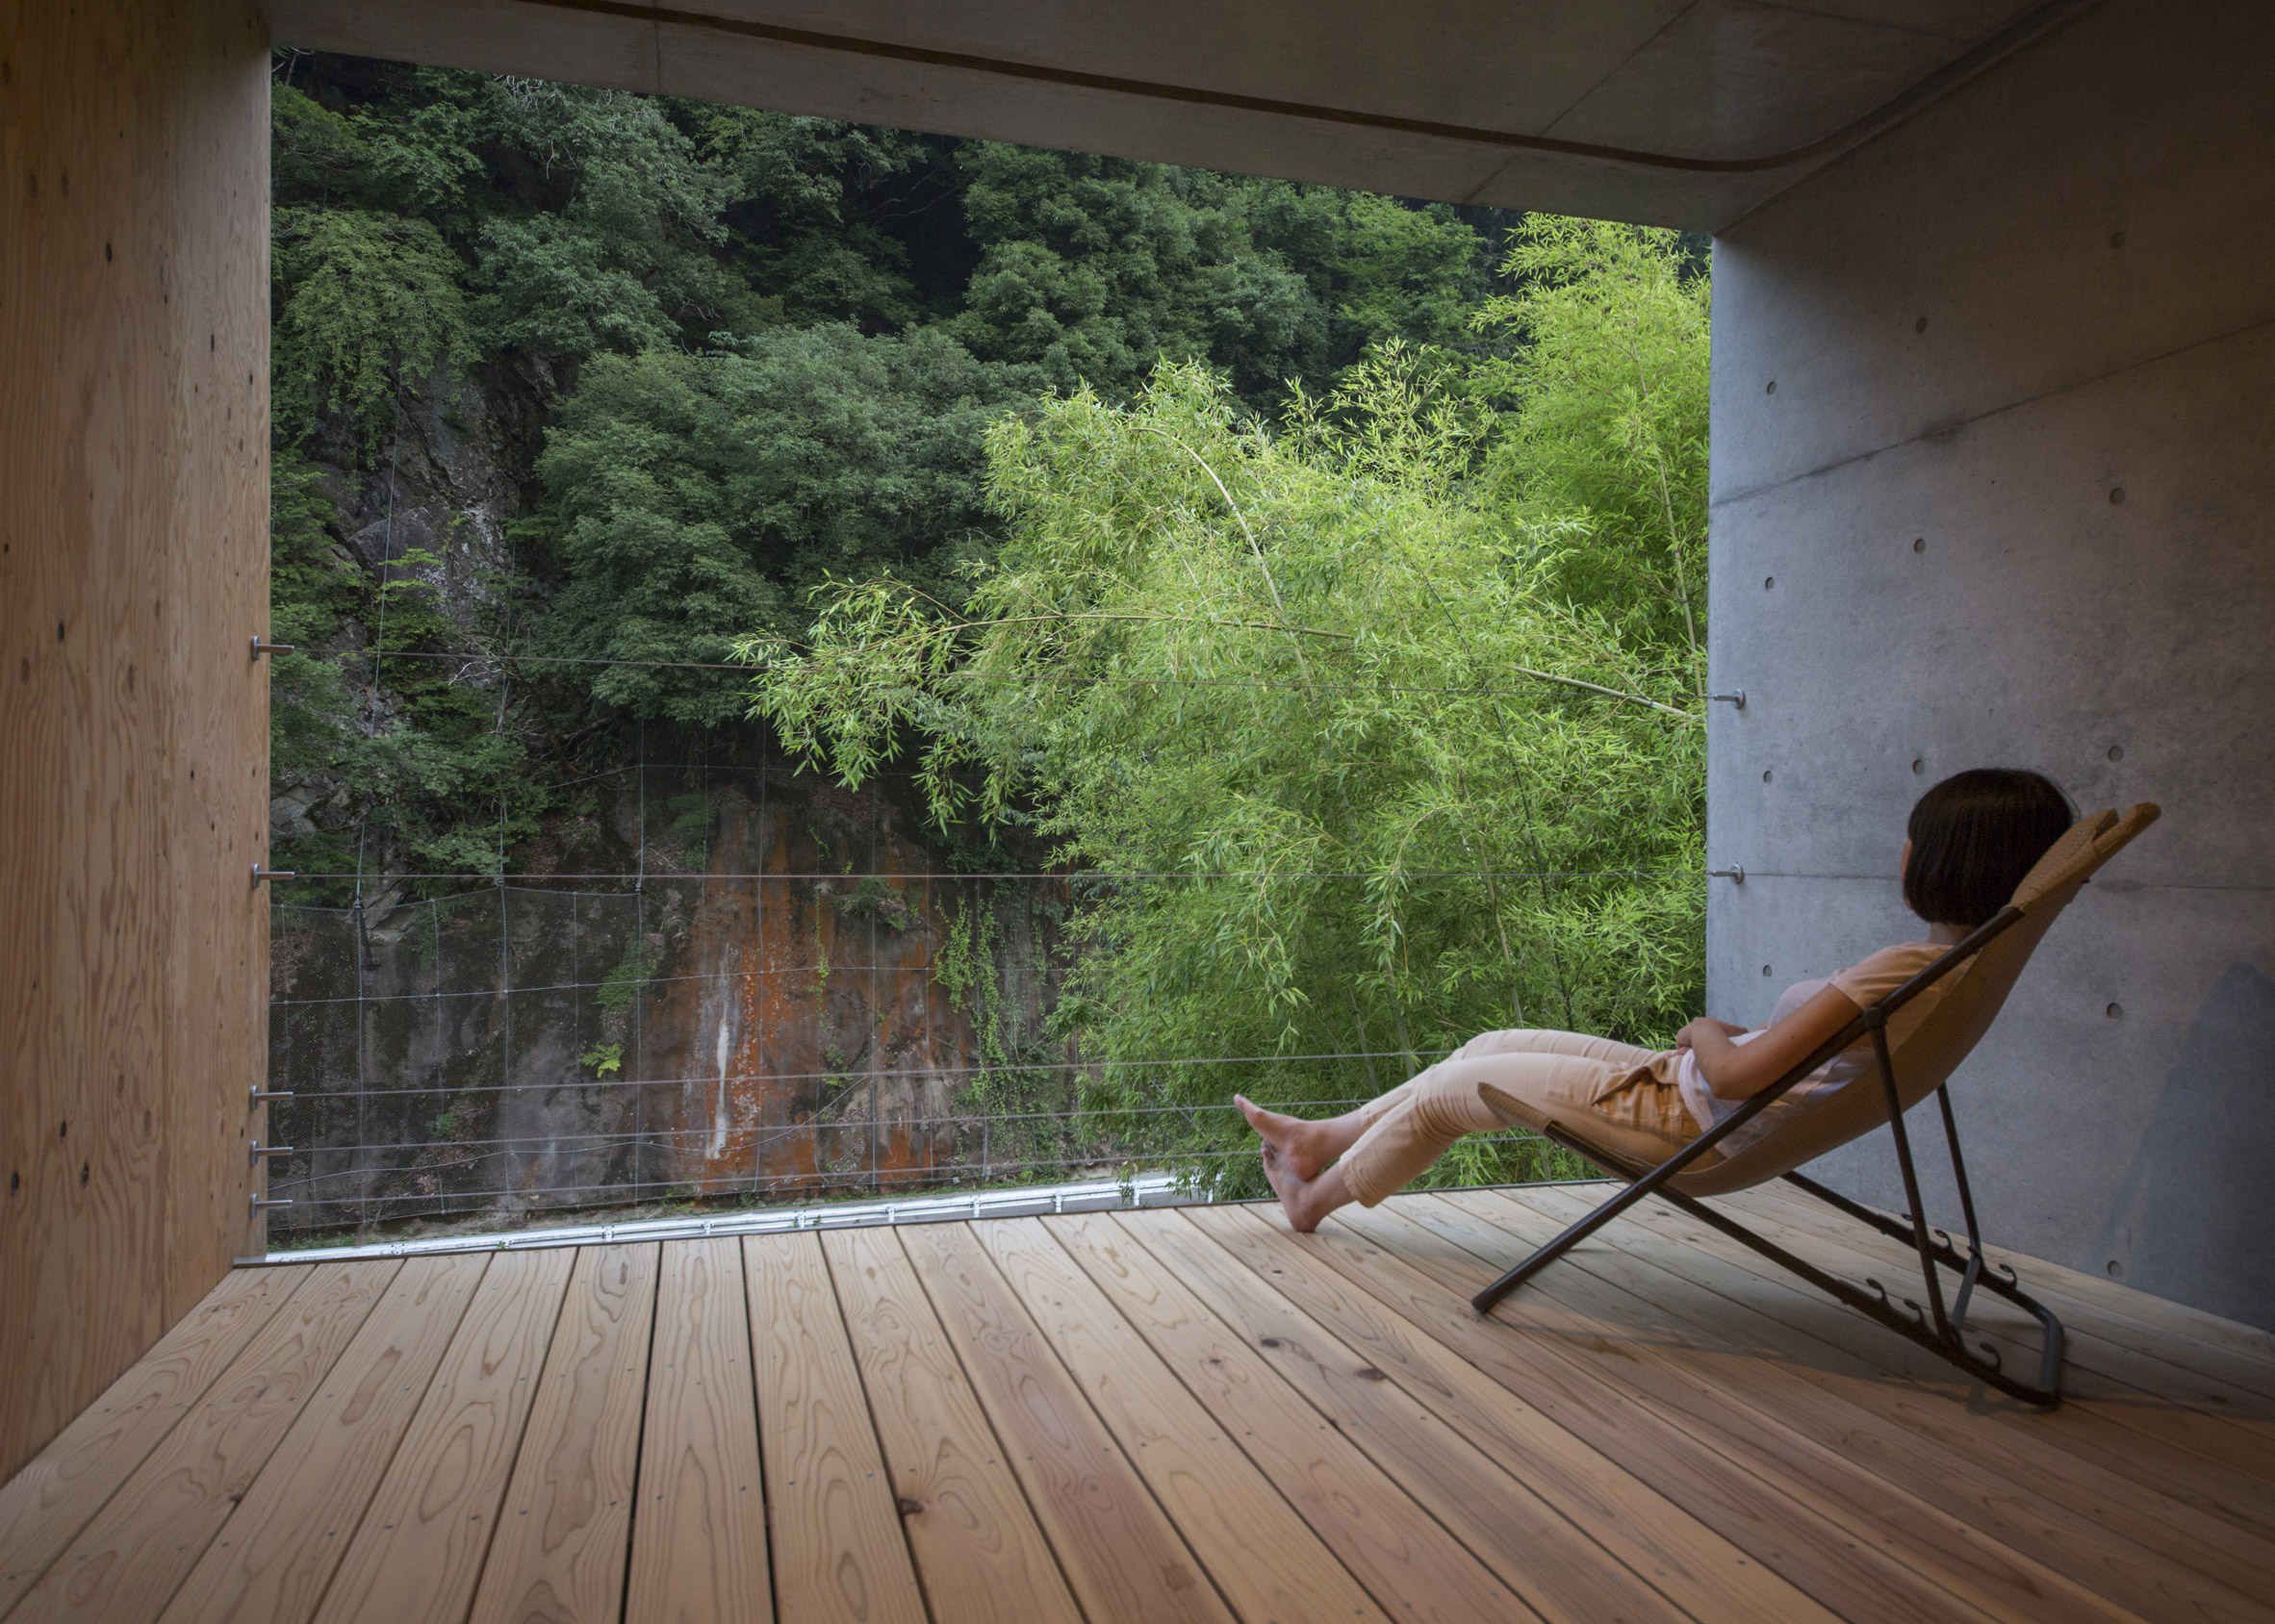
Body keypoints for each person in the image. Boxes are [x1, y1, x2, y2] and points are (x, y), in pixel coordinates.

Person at [1238, 768, 2076, 1231]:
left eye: (1916, 837)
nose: (1901, 849)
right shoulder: (1945, 969)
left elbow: (1743, 1078)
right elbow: (1803, 1061)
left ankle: (1314, 1199)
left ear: (1944, 862)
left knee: (1462, 1093)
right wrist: (1718, 1047)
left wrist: (1705, 1030)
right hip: (1686, 1094)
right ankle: (1324, 1141)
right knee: (1487, 1043)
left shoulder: (1903, 972)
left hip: (1690, 1118)